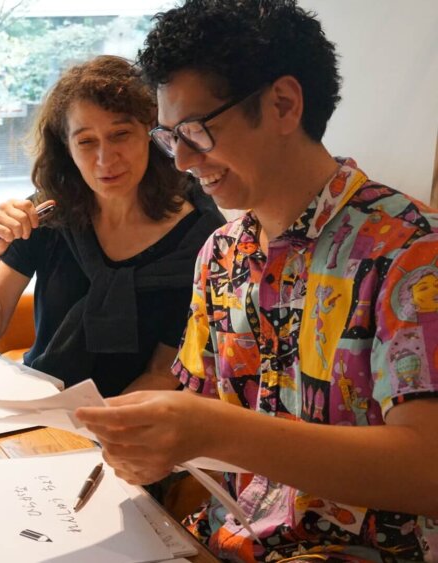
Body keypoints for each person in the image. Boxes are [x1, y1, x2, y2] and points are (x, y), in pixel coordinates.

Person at [75, 1, 438, 561]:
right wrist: (156, 448)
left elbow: (427, 467)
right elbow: (199, 417)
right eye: (170, 137)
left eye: (195, 131)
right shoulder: (222, 253)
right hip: (224, 542)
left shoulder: (410, 251)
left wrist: (211, 430)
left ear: (284, 104)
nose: (183, 161)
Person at [0, 55, 225, 397]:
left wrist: (89, 427)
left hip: (136, 423)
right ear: (66, 148)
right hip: (40, 404)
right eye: (86, 142)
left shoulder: (200, 237)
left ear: (151, 132)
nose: (105, 159)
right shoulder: (50, 212)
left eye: (120, 134)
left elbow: (162, 374)